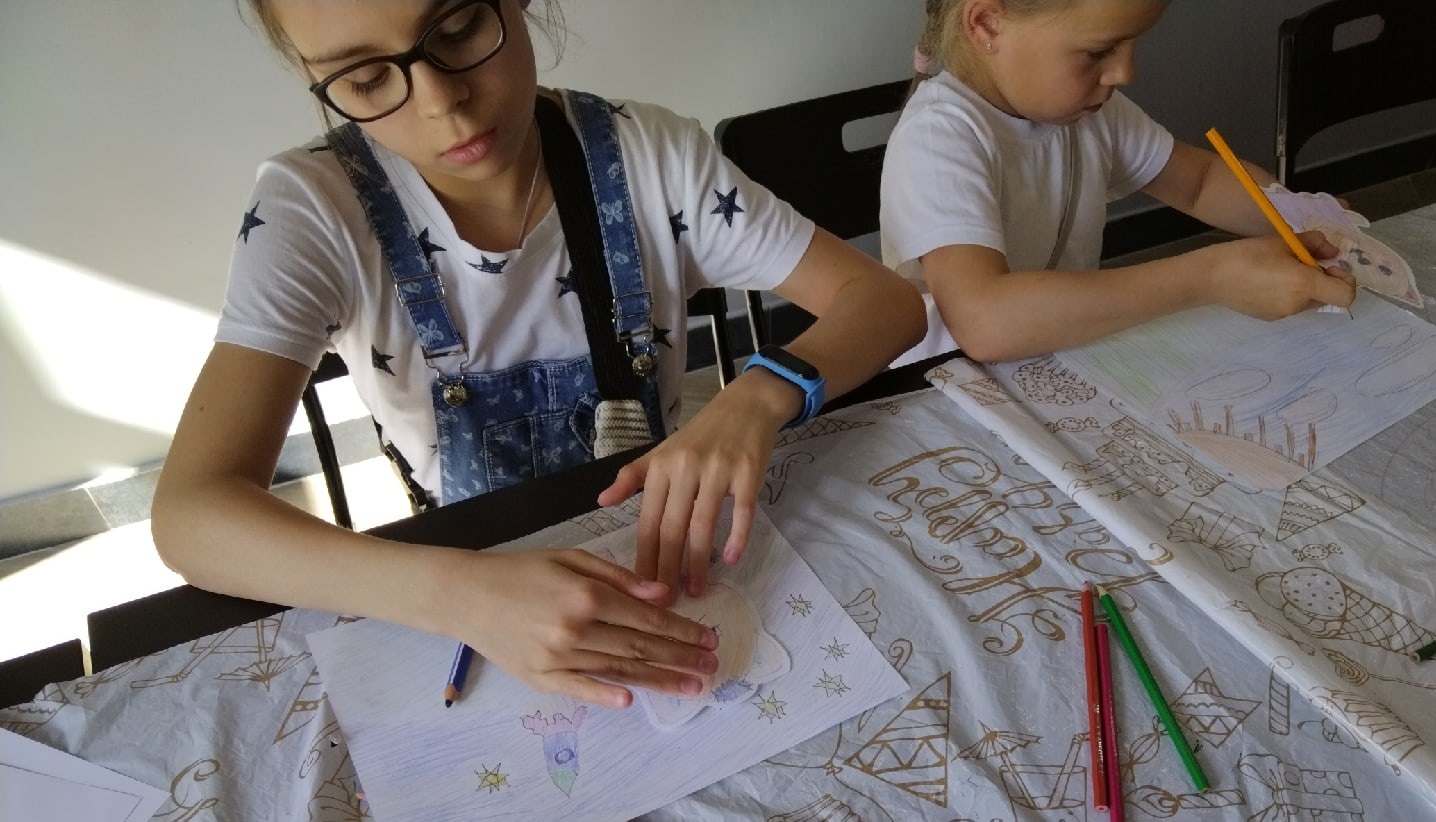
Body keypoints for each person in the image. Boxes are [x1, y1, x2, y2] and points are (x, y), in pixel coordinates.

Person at [151, 0, 924, 707]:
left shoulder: (649, 159)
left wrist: (758, 393)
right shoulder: (312, 209)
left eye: (457, 30)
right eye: (365, 78)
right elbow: (190, 517)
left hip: (651, 549)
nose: (441, 101)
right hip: (466, 581)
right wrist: (459, 594)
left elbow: (886, 301)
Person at [881, 0, 1356, 366]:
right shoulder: (939, 137)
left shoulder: (1090, 112)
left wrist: (1298, 215)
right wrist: (1211, 277)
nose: (1126, 72)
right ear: (987, 24)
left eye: (1132, 45)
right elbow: (985, 322)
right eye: (1099, 51)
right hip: (947, 389)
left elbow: (1198, 182)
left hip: (1059, 357)